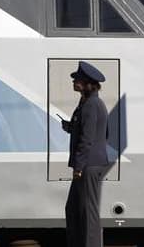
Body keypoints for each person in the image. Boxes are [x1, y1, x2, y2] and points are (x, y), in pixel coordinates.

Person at [61, 61, 110, 247]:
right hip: (88, 163)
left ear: (89, 83)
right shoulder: (88, 103)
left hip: (87, 165)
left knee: (87, 212)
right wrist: (70, 127)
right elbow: (102, 133)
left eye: (78, 80)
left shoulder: (91, 105)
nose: (74, 82)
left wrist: (79, 166)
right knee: (73, 208)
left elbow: (88, 139)